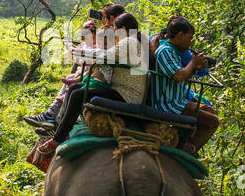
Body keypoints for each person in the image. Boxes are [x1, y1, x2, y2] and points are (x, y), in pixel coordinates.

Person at [31, 13, 146, 171]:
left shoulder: (129, 42)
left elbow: (104, 56)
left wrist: (77, 52)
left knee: (79, 94)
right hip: (123, 91)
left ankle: (58, 137)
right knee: (74, 88)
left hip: (126, 95)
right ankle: (60, 129)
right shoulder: (134, 42)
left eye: (115, 29)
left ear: (123, 29)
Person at [150, 15, 219, 156]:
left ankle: (185, 140)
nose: (190, 44)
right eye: (189, 39)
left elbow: (183, 72)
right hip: (169, 104)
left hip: (179, 101)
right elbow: (178, 76)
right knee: (213, 122)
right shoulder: (165, 51)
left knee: (209, 110)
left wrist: (196, 67)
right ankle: (187, 152)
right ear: (180, 35)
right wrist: (193, 63)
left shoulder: (174, 51)